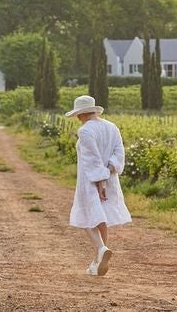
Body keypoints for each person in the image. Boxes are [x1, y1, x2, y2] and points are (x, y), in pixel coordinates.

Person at [65, 95, 131, 276]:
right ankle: (97, 261)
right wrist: (109, 172)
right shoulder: (112, 127)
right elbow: (119, 153)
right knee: (102, 217)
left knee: (86, 216)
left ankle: (101, 249)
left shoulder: (85, 131)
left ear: (80, 115)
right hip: (111, 177)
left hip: (91, 180)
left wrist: (100, 182)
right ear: (94, 110)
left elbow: (92, 159)